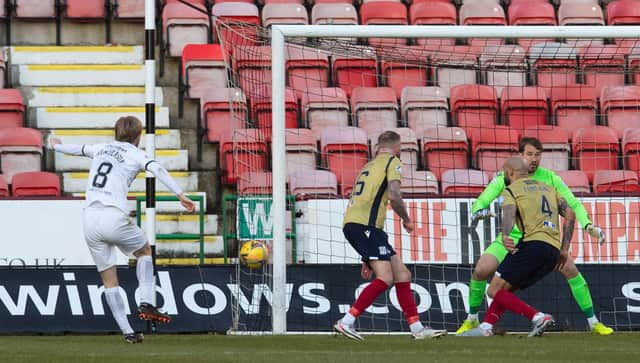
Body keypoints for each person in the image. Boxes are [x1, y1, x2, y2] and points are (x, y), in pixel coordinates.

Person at [49, 116, 196, 343]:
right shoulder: (135, 153)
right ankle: (146, 301)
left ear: (115, 133)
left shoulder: (101, 148)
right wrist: (180, 194)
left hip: (89, 218)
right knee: (144, 251)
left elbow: (75, 149)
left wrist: (55, 145)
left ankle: (128, 332)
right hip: (113, 215)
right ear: (138, 137)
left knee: (109, 280)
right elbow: (157, 169)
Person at [456, 137, 613, 336]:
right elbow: (482, 201)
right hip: (514, 238)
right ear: (520, 155)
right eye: (529, 154)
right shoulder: (506, 178)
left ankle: (593, 322)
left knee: (570, 270)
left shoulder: (550, 178)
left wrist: (588, 224)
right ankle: (472, 320)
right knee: (480, 270)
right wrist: (479, 211)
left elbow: (573, 204)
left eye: (537, 155)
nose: (534, 159)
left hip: (537, 238)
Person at [333, 130, 447, 341]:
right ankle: (346, 321)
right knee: (385, 278)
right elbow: (395, 195)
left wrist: (367, 254)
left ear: (377, 147)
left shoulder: (369, 165)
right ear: (398, 148)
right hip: (366, 227)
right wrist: (406, 219)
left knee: (402, 274)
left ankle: (417, 329)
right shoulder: (393, 162)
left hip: (360, 226)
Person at [460, 157, 576, 337]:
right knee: (504, 290)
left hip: (532, 246)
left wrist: (505, 235)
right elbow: (570, 213)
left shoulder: (511, 190)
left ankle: (537, 317)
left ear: (511, 172)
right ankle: (486, 327)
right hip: (552, 252)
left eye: (504, 172)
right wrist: (564, 248)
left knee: (493, 290)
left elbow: (508, 213)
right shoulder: (549, 188)